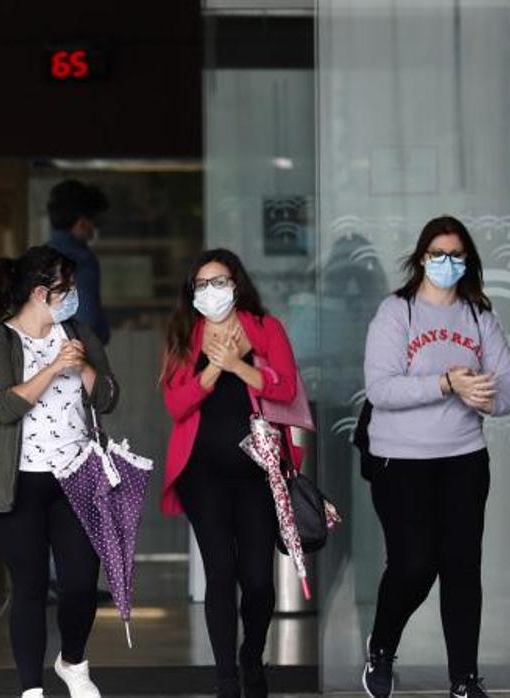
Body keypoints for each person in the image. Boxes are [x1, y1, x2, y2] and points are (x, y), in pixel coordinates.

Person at [360, 216, 510, 698]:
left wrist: (486, 398)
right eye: (437, 254)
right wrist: (446, 383)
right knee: (413, 565)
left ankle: (464, 680)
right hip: (400, 460)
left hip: (463, 459)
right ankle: (382, 647)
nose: (446, 263)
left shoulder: (478, 317)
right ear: (420, 258)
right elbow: (381, 388)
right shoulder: (397, 313)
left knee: (461, 570)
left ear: (468, 261)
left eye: (456, 255)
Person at [0, 245, 118, 698]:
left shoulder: (79, 333)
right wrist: (55, 367)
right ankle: (31, 688)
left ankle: (72, 661)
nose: (73, 294)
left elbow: (110, 397)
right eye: (66, 287)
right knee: (30, 584)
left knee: (80, 582)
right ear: (40, 292)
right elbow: (0, 406)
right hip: (18, 483)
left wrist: (84, 368)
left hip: (77, 479)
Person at [159, 249, 303, 698]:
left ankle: (252, 656)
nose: (210, 292)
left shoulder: (264, 329)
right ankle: (226, 678)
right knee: (220, 570)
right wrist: (213, 369)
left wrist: (240, 363)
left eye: (218, 282)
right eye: (201, 285)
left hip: (257, 472)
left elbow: (286, 387)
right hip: (202, 473)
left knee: (258, 579)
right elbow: (175, 404)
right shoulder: (186, 334)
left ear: (236, 284)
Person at [45, 179, 111, 345]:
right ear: (81, 223)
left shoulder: (38, 257)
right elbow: (89, 323)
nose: (95, 230)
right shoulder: (81, 261)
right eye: (95, 223)